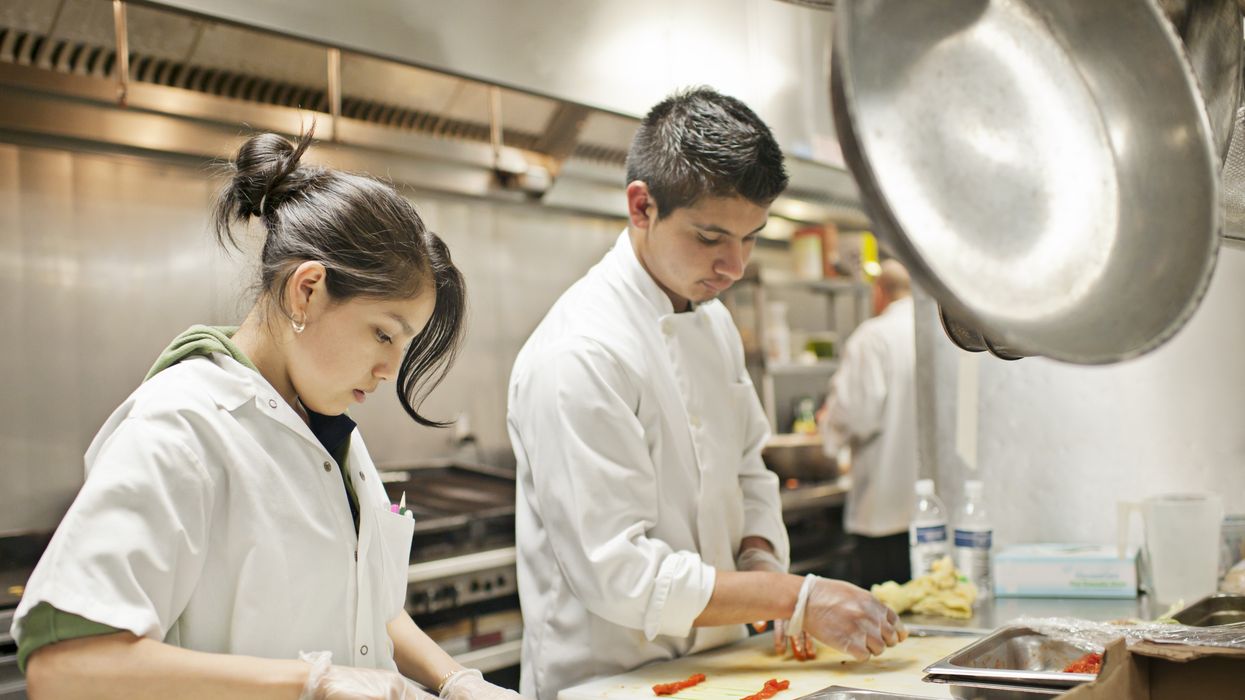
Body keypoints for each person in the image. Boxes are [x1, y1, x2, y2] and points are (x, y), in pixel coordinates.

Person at [12, 130, 523, 700]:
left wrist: (455, 680)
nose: (387, 369)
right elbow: (64, 667)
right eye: (384, 334)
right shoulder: (182, 426)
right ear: (306, 291)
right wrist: (314, 684)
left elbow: (369, 607)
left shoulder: (331, 436)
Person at [506, 87, 905, 700]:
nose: (735, 266)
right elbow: (620, 575)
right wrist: (796, 597)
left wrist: (762, 562)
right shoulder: (581, 353)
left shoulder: (712, 320)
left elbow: (749, 468)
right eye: (711, 237)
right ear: (642, 207)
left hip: (724, 670)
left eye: (750, 238)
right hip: (610, 683)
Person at [817, 258, 918, 588]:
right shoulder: (933, 332)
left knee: (889, 616)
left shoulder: (873, 336)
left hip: (883, 509)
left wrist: (829, 424)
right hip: (929, 512)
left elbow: (858, 415)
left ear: (879, 292)